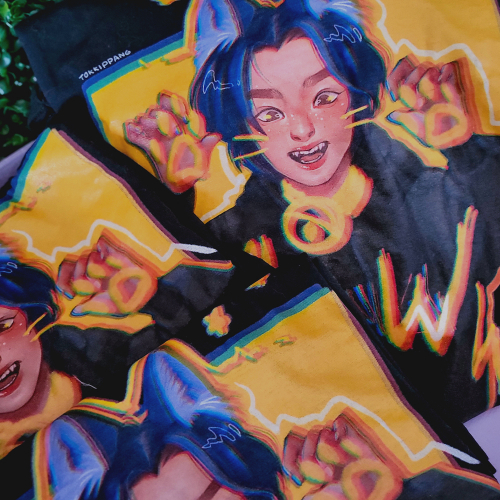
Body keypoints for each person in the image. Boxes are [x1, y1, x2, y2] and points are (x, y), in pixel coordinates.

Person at [127, 0, 500, 421]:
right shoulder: (238, 237)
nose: (302, 129)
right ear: (238, 123)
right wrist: (176, 201)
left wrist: (467, 149)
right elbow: (168, 337)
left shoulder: (433, 193)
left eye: (324, 97)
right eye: (270, 113)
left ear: (357, 93)